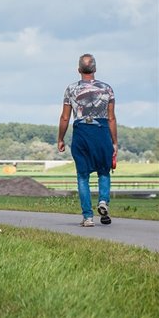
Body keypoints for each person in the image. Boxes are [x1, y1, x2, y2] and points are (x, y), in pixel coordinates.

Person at [57, 53, 117, 227]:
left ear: (78, 70)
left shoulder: (71, 90)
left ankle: (88, 217)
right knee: (104, 171)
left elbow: (64, 117)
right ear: (95, 69)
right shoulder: (107, 89)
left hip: (82, 132)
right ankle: (103, 201)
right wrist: (114, 142)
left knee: (82, 176)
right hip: (102, 131)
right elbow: (112, 118)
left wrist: (60, 138)